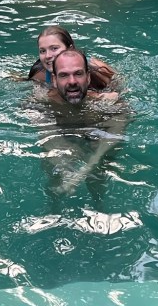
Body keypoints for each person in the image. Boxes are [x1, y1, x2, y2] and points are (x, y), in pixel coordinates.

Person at [40, 48, 129, 196]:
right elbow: (48, 138)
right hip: (64, 138)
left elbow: (114, 137)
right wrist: (66, 170)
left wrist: (85, 169)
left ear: (88, 78)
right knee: (54, 178)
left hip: (95, 141)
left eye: (78, 74)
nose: (72, 81)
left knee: (98, 175)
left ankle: (99, 204)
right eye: (64, 75)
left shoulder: (109, 104)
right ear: (54, 80)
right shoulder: (42, 104)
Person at [27, 25, 116, 91]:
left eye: (54, 48)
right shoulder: (40, 74)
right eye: (42, 51)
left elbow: (117, 86)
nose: (48, 56)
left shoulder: (97, 69)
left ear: (70, 48)